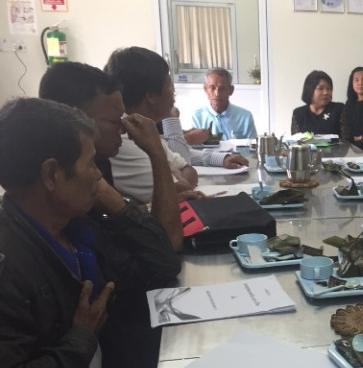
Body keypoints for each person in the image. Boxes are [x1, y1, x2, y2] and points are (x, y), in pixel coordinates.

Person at [0, 98, 181, 368]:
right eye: (89, 164)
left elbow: (162, 263)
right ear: (52, 174)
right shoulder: (10, 266)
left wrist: (117, 206)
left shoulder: (75, 228)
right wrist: (80, 339)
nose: (99, 175)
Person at [39, 61, 185, 251]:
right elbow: (168, 245)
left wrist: (140, 211)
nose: (123, 129)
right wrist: (156, 154)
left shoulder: (101, 162)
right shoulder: (79, 178)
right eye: (113, 121)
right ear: (77, 120)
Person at [103, 47, 248, 195]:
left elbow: (187, 167)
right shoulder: (123, 139)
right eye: (170, 85)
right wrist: (171, 119)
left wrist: (220, 159)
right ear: (151, 95)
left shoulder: (142, 127)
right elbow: (175, 189)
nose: (174, 92)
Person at [191, 67, 257, 140]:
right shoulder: (198, 116)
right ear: (205, 89)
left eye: (222, 88)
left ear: (231, 90)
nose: (217, 93)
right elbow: (194, 145)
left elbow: (253, 145)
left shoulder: (245, 117)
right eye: (212, 88)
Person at [291, 70, 344, 135]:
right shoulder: (298, 113)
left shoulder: (339, 109)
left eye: (328, 88)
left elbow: (346, 138)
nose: (326, 92)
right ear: (310, 90)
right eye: (321, 88)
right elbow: (296, 139)